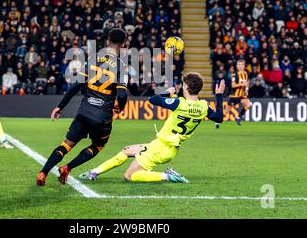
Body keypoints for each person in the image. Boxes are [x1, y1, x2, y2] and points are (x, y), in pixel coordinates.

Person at [79, 73, 225, 183]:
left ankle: (168, 176)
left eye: (183, 84)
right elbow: (219, 118)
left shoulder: (179, 103)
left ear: (186, 87)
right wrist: (219, 95)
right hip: (167, 147)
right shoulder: (203, 106)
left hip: (160, 148)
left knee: (129, 176)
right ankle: (94, 172)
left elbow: (153, 100)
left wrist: (168, 92)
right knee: (127, 150)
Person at [36, 28, 129, 186]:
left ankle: (43, 172)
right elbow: (122, 95)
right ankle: (67, 168)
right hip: (102, 117)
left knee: (66, 145)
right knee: (98, 145)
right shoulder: (121, 66)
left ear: (108, 41)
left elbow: (75, 86)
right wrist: (120, 108)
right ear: (123, 44)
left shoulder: (93, 58)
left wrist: (60, 106)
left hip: (84, 111)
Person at [217, 59, 252, 128]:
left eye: (242, 64)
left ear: (244, 66)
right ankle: (218, 121)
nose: (240, 66)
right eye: (239, 64)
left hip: (242, 95)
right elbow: (233, 85)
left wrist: (246, 90)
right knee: (226, 111)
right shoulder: (235, 75)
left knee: (249, 104)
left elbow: (247, 84)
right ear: (237, 66)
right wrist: (242, 84)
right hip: (234, 96)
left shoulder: (246, 74)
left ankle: (238, 117)